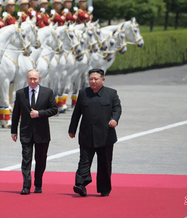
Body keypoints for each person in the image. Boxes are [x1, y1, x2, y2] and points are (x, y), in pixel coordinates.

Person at [68, 68, 122, 197]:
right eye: (91, 79)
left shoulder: (111, 93)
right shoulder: (83, 93)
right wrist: (72, 129)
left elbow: (117, 109)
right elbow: (77, 113)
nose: (93, 81)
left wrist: (114, 119)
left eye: (96, 79)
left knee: (104, 163)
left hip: (105, 136)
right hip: (87, 135)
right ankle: (80, 185)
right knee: (84, 161)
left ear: (102, 80)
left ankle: (104, 189)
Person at [11, 69, 58, 195]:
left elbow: (54, 109)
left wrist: (39, 114)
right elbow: (16, 113)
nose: (33, 81)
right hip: (26, 132)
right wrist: (13, 130)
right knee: (26, 159)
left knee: (41, 159)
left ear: (39, 78)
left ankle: (38, 184)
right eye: (30, 79)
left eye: (35, 79)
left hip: (42, 133)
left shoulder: (47, 92)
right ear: (27, 78)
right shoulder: (21, 93)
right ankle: (26, 186)